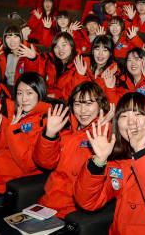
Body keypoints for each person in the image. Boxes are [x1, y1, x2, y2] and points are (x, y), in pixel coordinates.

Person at [74, 92, 145, 234]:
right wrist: (98, 162)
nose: (131, 122)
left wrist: (141, 152)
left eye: (138, 115)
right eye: (124, 116)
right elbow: (87, 202)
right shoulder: (117, 160)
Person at [34, 82, 114, 218]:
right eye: (78, 104)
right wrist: (49, 135)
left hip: (72, 213)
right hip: (48, 204)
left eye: (89, 104)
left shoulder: (104, 136)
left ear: (100, 105)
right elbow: (44, 163)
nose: (83, 111)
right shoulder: (67, 130)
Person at [36, 32, 78, 100]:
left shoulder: (79, 63)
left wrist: (57, 96)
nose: (60, 49)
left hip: (66, 103)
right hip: (46, 99)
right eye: (56, 46)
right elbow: (39, 81)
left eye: (64, 45)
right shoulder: (50, 61)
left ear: (72, 46)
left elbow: (77, 92)